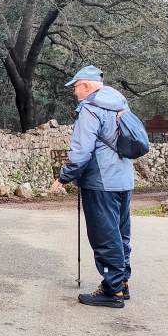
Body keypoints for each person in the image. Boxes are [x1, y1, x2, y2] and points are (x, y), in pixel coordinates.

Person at [50, 66, 134, 308]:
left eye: (75, 87)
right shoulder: (120, 104)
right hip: (124, 179)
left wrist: (65, 176)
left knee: (104, 235)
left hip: (101, 181)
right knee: (120, 233)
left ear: (86, 86)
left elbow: (81, 150)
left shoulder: (90, 108)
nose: (74, 92)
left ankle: (111, 290)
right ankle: (122, 283)